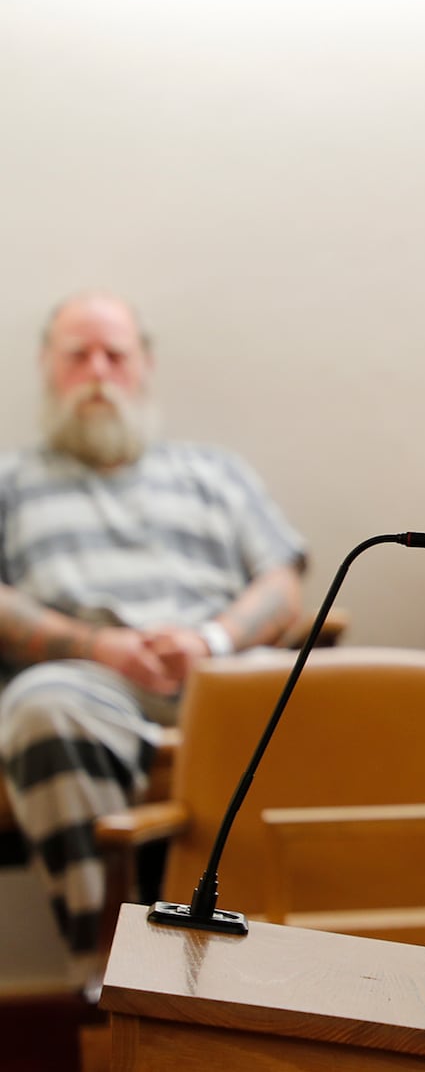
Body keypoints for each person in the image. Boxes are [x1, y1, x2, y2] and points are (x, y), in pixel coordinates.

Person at [0, 292, 305, 975]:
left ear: (146, 366)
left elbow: (282, 578)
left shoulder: (214, 472)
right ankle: (114, 982)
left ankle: (304, 985)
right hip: (85, 686)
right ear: (47, 367)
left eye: (116, 354)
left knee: (349, 703)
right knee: (41, 707)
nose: (99, 371)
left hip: (223, 678)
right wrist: (97, 646)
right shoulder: (12, 481)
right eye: (79, 356)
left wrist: (213, 640)